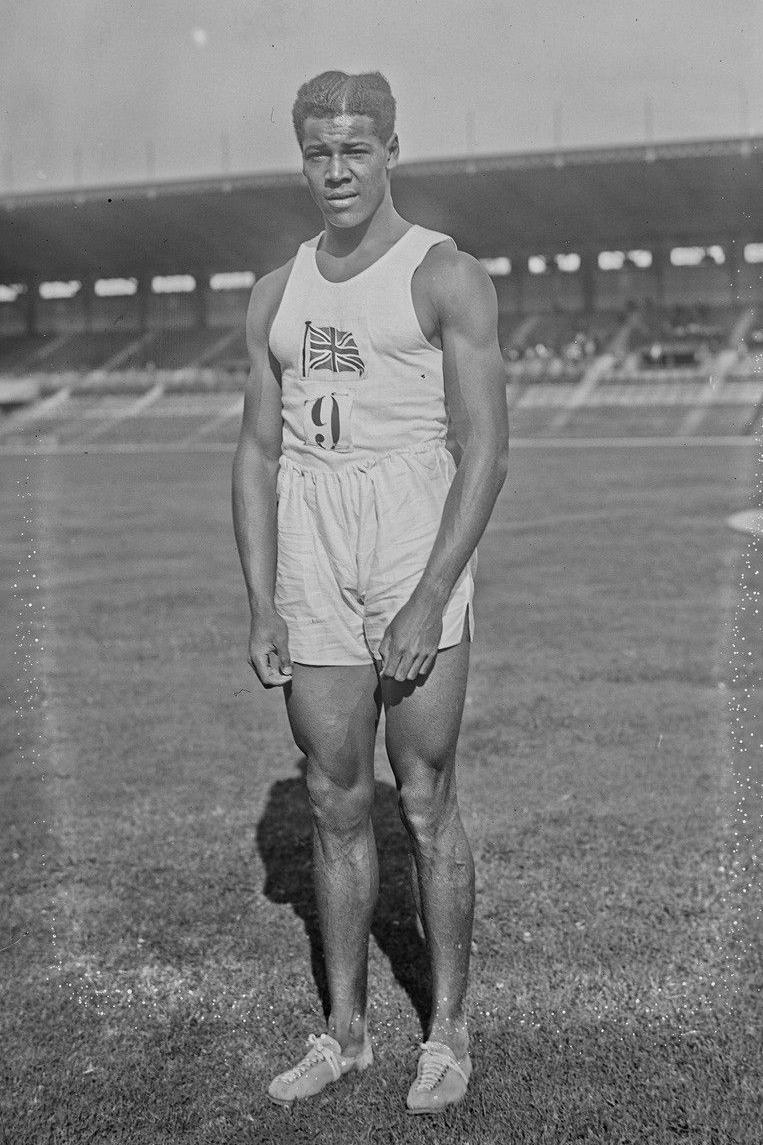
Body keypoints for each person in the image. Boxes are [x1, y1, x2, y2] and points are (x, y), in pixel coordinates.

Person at [231, 69, 509, 1116]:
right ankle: (343, 1030)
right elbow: (257, 455)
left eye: (356, 146)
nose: (337, 168)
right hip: (314, 532)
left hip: (408, 529)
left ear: (392, 148)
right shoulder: (277, 290)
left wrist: (431, 591)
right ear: (301, 157)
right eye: (318, 150)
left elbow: (484, 447)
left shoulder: (443, 274)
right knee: (330, 795)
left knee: (425, 797)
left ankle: (447, 1029)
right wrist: (263, 600)